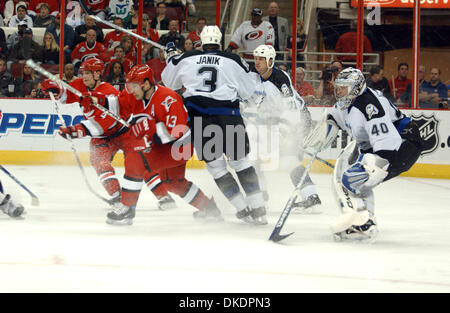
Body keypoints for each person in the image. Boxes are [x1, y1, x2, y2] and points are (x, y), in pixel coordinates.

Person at [162, 26, 268, 225]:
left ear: (201, 41)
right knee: (241, 163)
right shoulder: (233, 60)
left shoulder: (187, 57)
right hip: (229, 116)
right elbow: (248, 91)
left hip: (201, 120)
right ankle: (258, 209)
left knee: (217, 168)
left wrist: (170, 57)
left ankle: (242, 209)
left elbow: (169, 82)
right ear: (220, 41)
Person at [304, 68, 424, 241]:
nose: (339, 92)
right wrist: (326, 128)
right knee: (352, 180)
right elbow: (334, 116)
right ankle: (366, 221)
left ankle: (365, 222)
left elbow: (386, 147)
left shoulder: (370, 106)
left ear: (356, 87)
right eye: (338, 87)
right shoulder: (347, 101)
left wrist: (369, 168)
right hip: (382, 145)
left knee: (354, 178)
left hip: (403, 145)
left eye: (343, 88)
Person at [42, 59, 177, 211]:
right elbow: (67, 94)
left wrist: (76, 130)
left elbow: (105, 124)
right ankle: (117, 196)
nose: (84, 76)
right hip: (102, 137)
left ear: (97, 74)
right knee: (98, 161)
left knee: (140, 163)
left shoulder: (109, 91)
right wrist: (56, 89)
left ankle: (164, 196)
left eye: (88, 73)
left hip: (123, 132)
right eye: (83, 73)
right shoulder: (80, 85)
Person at [104, 64, 222, 224]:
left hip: (179, 146)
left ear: (145, 83)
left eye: (133, 86)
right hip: (163, 146)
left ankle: (127, 208)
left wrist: (148, 136)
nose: (130, 90)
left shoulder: (169, 98)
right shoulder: (135, 95)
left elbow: (175, 131)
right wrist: (93, 100)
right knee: (173, 183)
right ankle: (209, 209)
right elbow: (116, 104)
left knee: (135, 160)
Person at [248, 45, 321, 212]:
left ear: (271, 61)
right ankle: (261, 198)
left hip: (296, 118)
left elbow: (293, 110)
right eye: (256, 58)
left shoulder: (280, 79)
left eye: (261, 59)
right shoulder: (253, 75)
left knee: (288, 160)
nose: (257, 62)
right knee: (254, 158)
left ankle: (311, 197)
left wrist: (286, 131)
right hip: (273, 121)